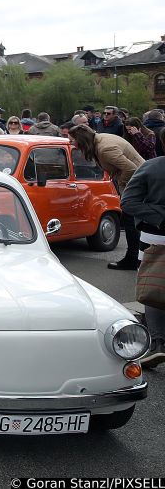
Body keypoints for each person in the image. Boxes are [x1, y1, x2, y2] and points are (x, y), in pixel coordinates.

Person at [68, 124, 144, 270]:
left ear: (81, 140)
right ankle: (136, 257)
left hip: (136, 183)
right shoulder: (100, 142)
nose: (70, 143)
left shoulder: (105, 148)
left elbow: (131, 169)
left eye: (72, 140)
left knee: (130, 222)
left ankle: (133, 258)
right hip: (134, 182)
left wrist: (122, 186)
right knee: (132, 222)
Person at [120, 156, 165, 368]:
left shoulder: (152, 166)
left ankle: (158, 343)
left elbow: (128, 202)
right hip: (154, 235)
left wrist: (159, 215)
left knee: (153, 287)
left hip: (154, 234)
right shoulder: (152, 166)